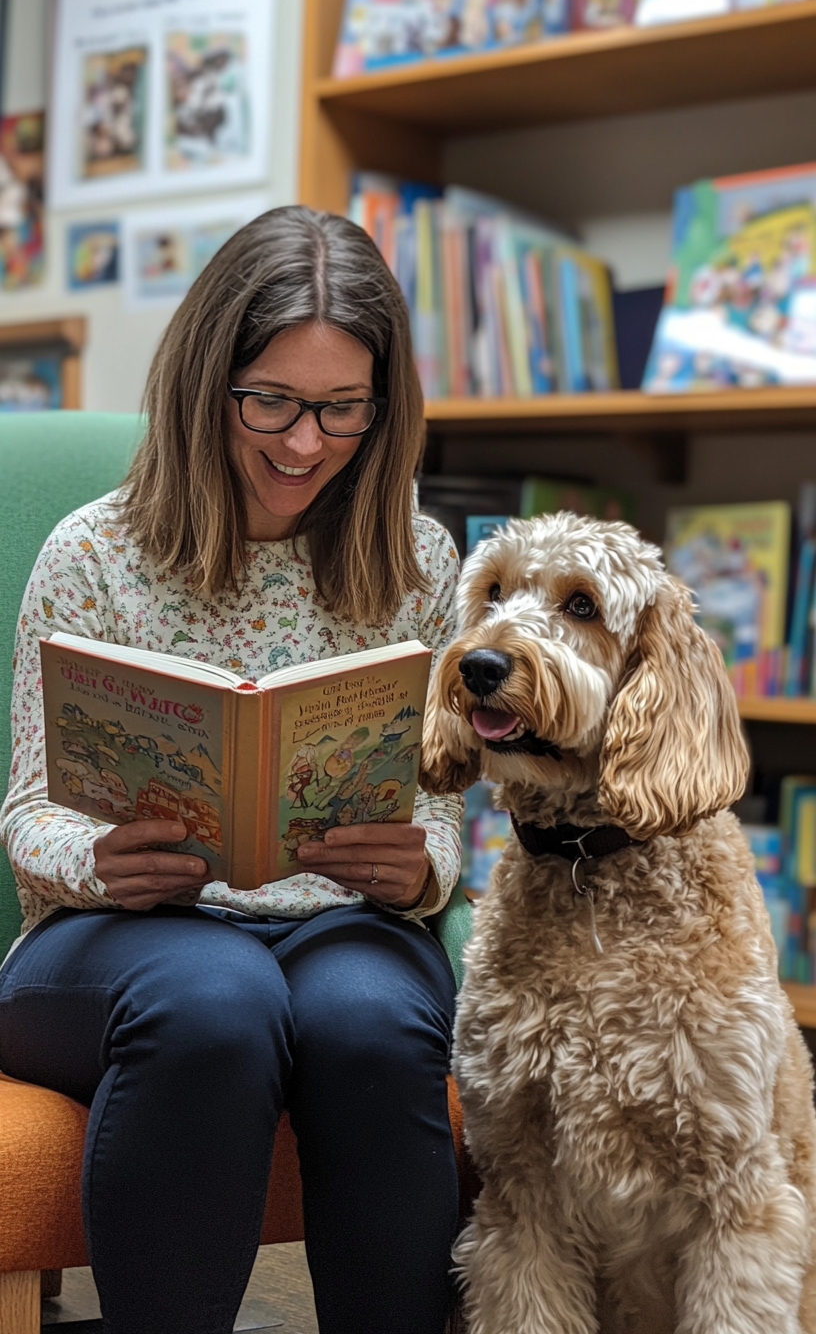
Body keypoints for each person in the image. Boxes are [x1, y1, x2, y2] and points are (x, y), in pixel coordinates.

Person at [0, 207, 463, 1334]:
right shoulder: (94, 551)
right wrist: (102, 858)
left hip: (339, 922)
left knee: (374, 1023)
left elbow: (438, 808)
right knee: (219, 1000)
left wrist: (419, 871)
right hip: (118, 933)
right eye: (273, 401)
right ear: (208, 380)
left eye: (343, 409)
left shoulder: (420, 556)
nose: (305, 443)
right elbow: (26, 811)